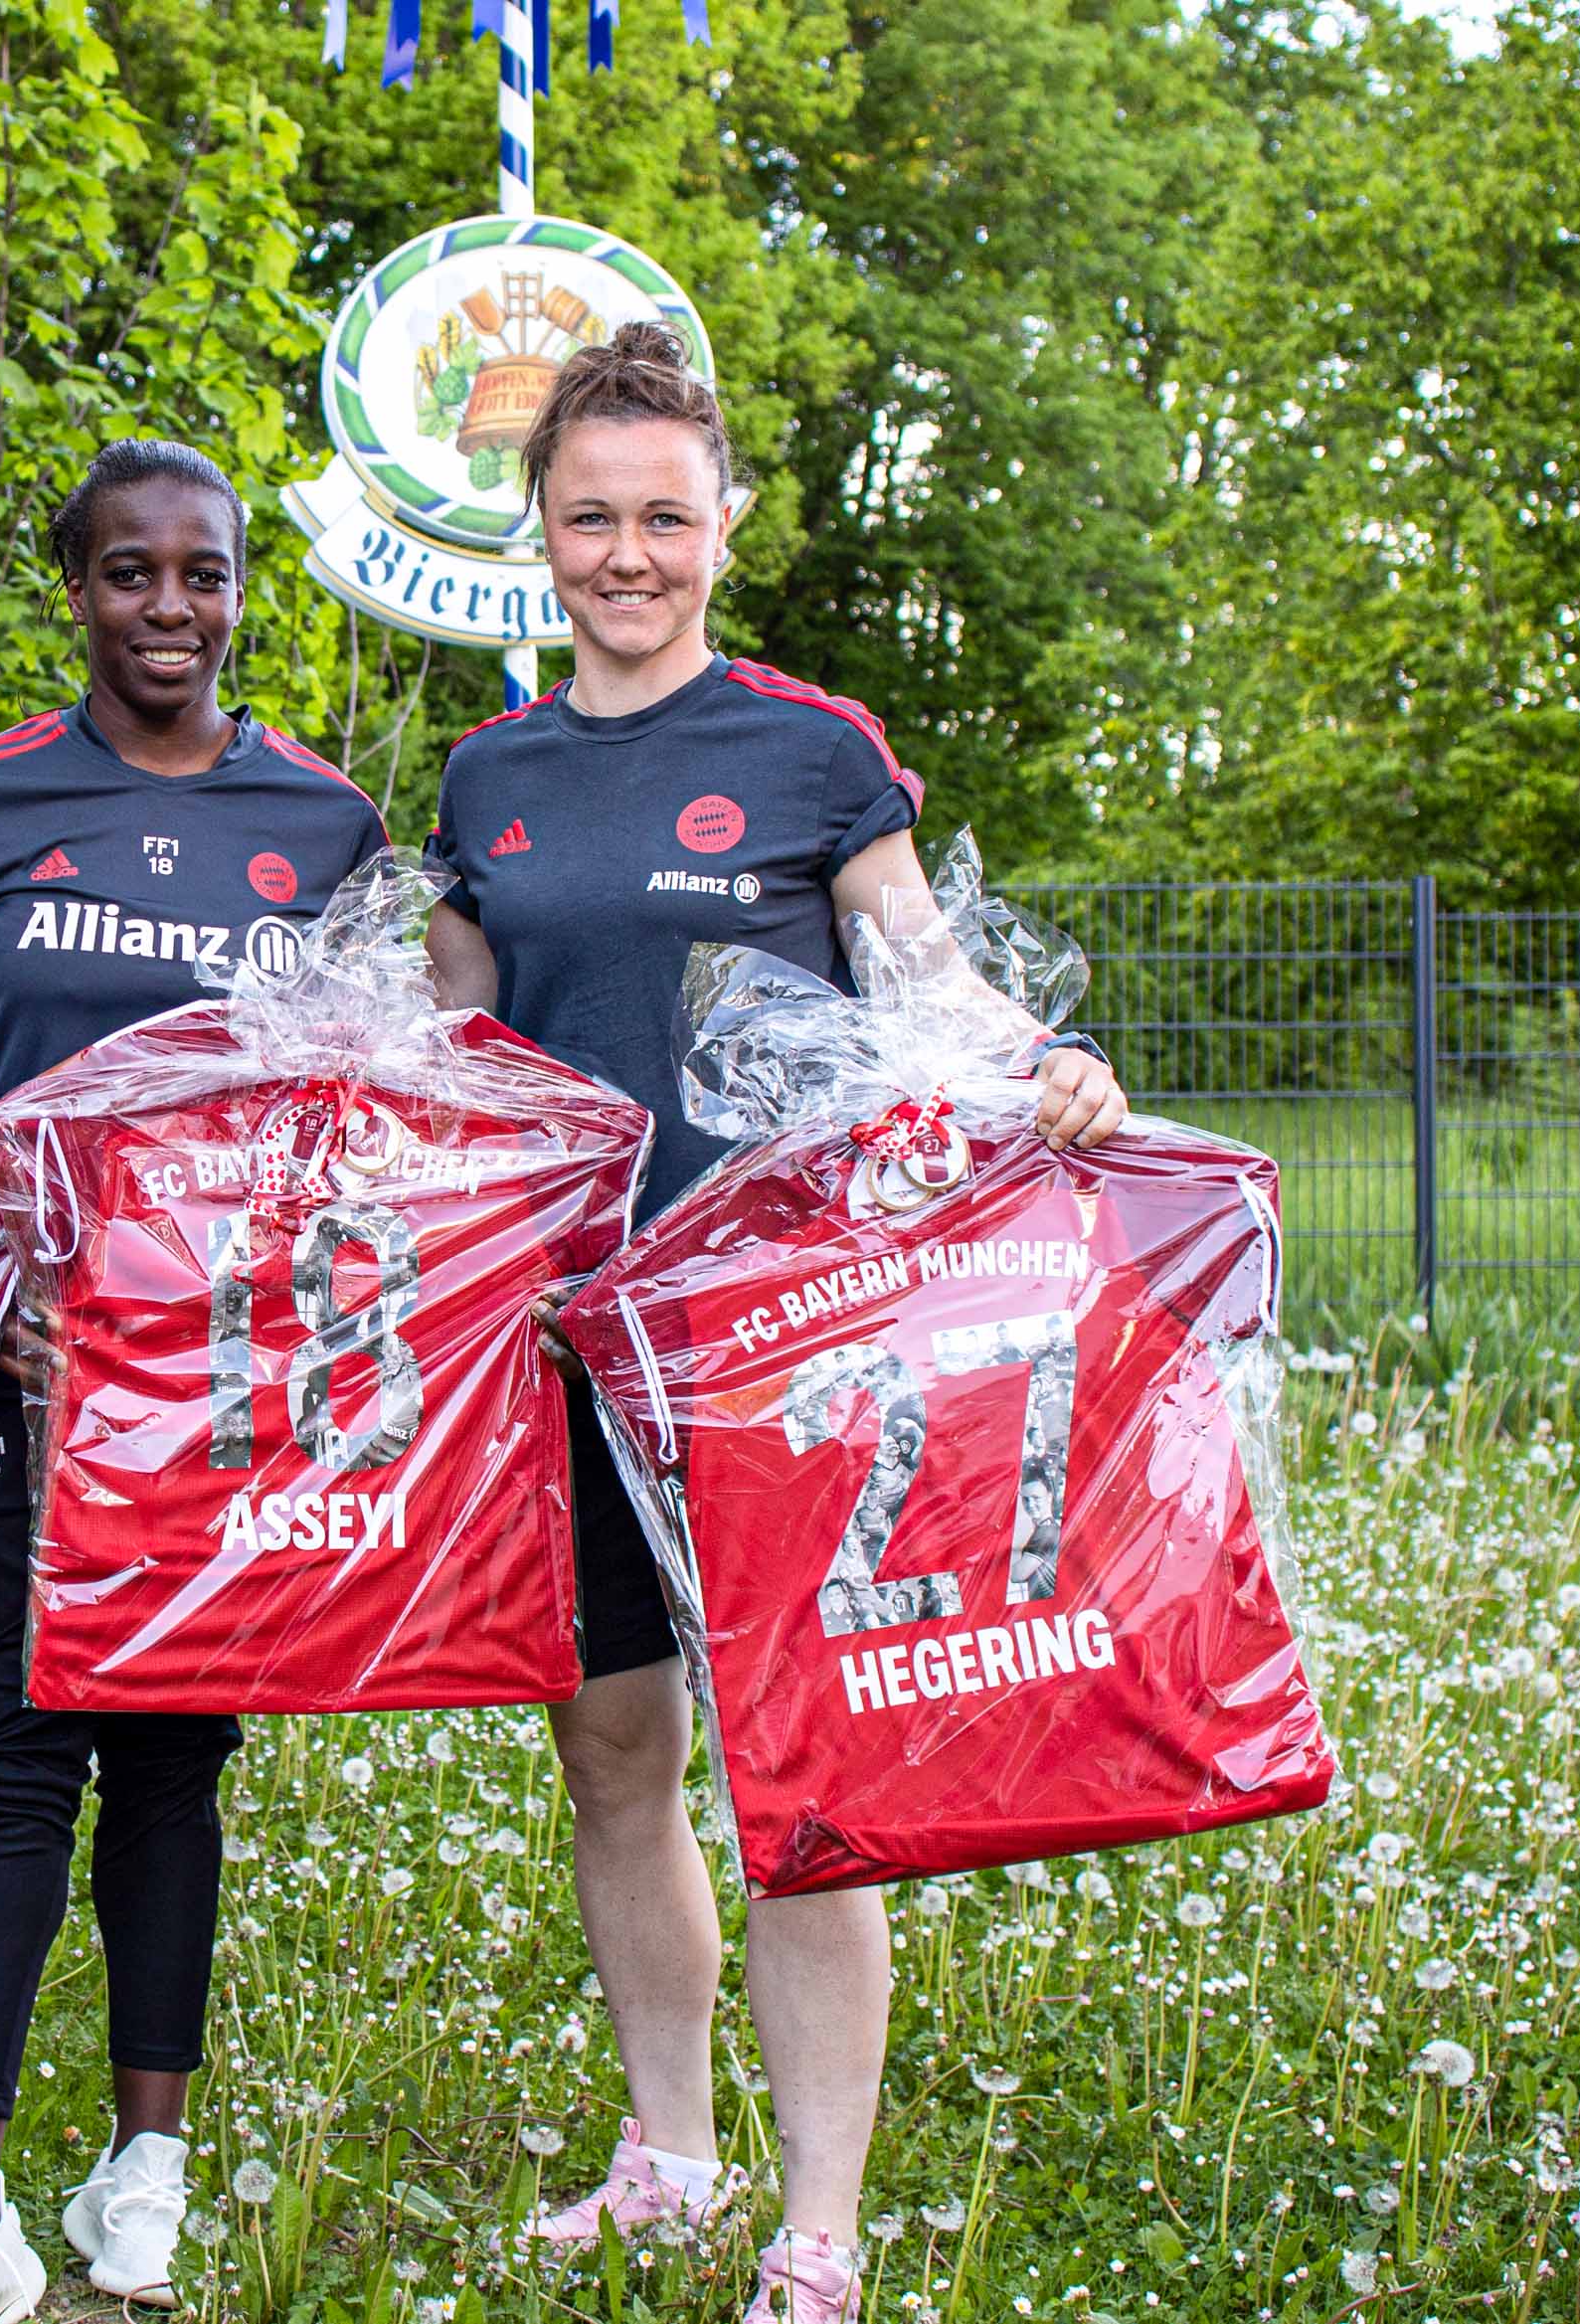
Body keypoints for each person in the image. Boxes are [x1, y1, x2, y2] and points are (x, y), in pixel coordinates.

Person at [420, 323, 1132, 2324]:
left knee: (803, 1776)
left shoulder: (813, 749)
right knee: (615, 1754)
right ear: (536, 533)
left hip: (785, 1338)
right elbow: (464, 1043)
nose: (625, 552)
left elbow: (925, 978)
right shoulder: (489, 770)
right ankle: (673, 2151)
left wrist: (1040, 1058)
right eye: (588, 516)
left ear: (724, 527)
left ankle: (815, 2232)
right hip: (568, 1340)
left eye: (663, 514)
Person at [0, 441, 390, 2324]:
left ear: (246, 590)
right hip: (25, 1369)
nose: (171, 608)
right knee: (6, 1756)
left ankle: (141, 2173)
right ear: (70, 585)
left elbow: (363, 1114)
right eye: (130, 574)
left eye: (207, 576)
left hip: (228, 1389)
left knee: (176, 1763)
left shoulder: (322, 828)